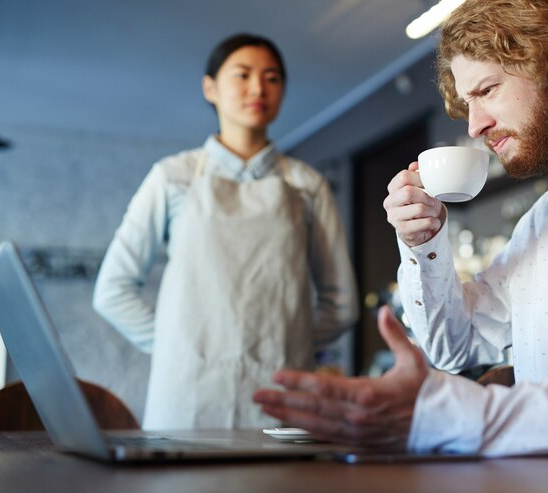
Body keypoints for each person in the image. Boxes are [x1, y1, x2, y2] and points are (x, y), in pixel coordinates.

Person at [253, 0, 548, 458]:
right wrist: (422, 242)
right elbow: (453, 346)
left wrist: (464, 415)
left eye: (487, 90)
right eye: (467, 102)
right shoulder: (541, 221)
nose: (474, 125)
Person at [93, 33, 359, 430]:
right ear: (210, 87)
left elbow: (342, 304)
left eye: (272, 78)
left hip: (282, 393)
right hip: (186, 393)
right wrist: (176, 349)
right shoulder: (172, 177)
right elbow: (112, 290)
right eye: (243, 74)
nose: (258, 88)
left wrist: (288, 347)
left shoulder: (308, 185)